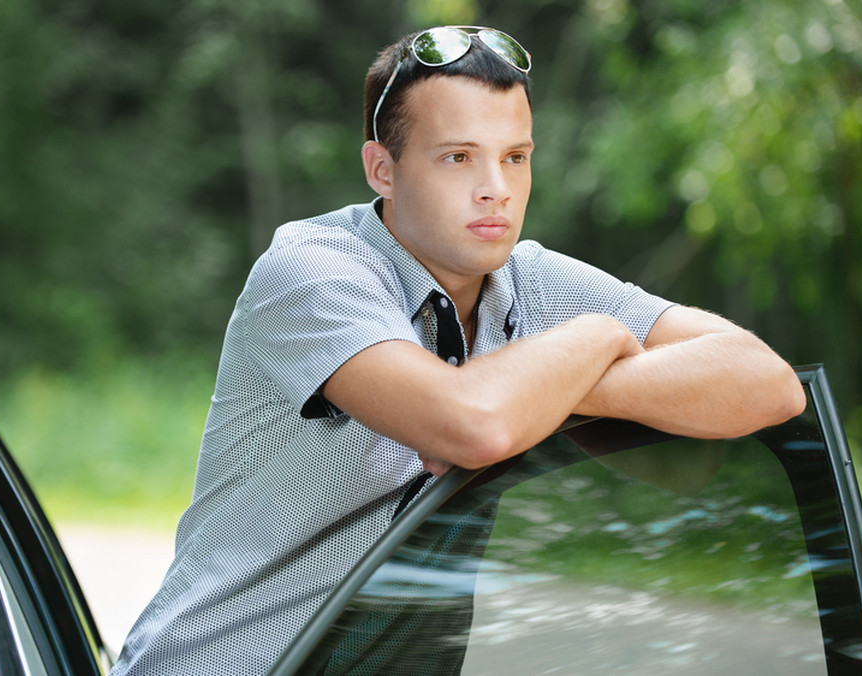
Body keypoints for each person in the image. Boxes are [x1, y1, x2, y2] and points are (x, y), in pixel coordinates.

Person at [110, 25, 806, 676]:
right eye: (458, 158)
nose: (496, 190)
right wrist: (597, 339)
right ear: (382, 169)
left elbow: (768, 384)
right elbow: (471, 426)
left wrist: (564, 392)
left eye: (515, 158)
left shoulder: (530, 281)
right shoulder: (312, 272)